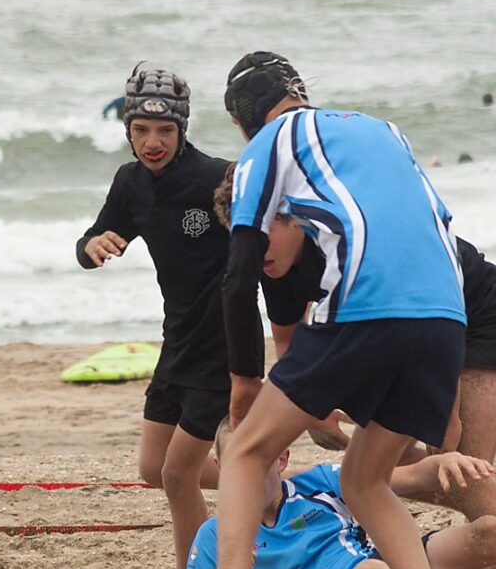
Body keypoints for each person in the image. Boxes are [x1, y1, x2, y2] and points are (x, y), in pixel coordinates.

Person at [154, 51, 466, 569]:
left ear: (244, 123)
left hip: (368, 301)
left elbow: (239, 272)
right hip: (446, 315)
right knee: (364, 478)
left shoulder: (267, 144)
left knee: (246, 450)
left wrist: (245, 381)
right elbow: (436, 220)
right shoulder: (382, 130)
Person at [211, 173, 496, 519]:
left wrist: (447, 412)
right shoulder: (269, 261)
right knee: (382, 464)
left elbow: (435, 315)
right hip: (398, 329)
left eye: (263, 234)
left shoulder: (350, 241)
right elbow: (288, 344)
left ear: (295, 217)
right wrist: (312, 413)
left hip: (472, 310)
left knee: (463, 463)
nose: (253, 250)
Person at [75, 65, 232, 569]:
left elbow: (273, 248)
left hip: (222, 343)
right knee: (153, 468)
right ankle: (269, 481)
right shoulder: (131, 183)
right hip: (177, 341)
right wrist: (91, 247)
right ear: (128, 129)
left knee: (177, 474)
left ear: (182, 129)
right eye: (141, 130)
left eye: (165, 130)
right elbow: (96, 235)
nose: (152, 142)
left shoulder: (218, 178)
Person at [172, 424, 496, 569]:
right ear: (219, 466)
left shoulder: (318, 482)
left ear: (282, 459)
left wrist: (443, 462)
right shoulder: (215, 534)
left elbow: (411, 476)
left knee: (487, 531)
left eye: (259, 462)